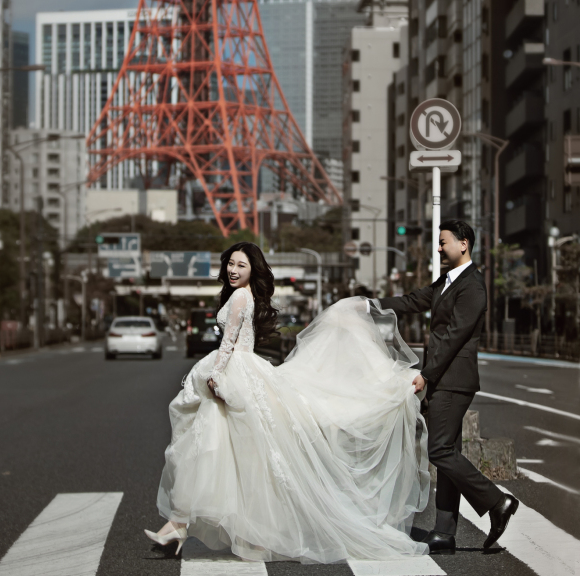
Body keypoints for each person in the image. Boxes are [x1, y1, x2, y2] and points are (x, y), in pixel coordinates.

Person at [145, 242, 430, 563]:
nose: (233, 270)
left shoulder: (239, 297)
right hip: (244, 374)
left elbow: (229, 341)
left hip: (233, 375)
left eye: (240, 265)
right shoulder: (244, 295)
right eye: (230, 264)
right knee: (238, 455)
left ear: (252, 270)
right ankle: (196, 529)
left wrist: (216, 374)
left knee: (211, 450)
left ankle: (185, 527)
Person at [375, 218, 518, 553]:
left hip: (454, 379)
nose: (438, 248)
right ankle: (444, 533)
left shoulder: (473, 286)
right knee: (448, 451)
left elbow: (455, 336)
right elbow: (413, 301)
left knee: (439, 449)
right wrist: (372, 304)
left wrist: (427, 374)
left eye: (443, 242)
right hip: (445, 378)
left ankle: (498, 501)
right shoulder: (447, 281)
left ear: (463, 244)